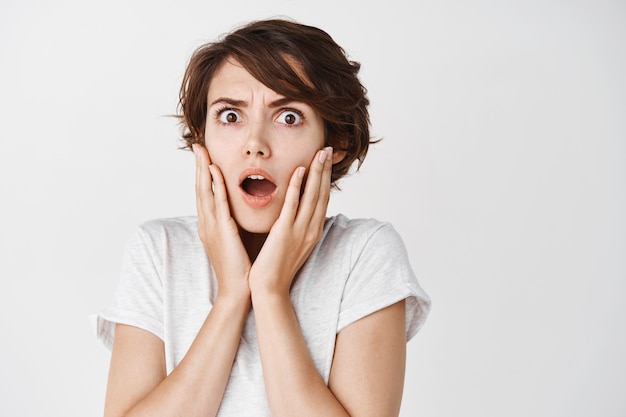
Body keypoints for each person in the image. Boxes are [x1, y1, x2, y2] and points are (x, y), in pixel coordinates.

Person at [93, 17, 431, 417]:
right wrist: (233, 296)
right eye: (230, 116)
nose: (255, 145)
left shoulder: (365, 254)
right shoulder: (159, 250)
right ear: (202, 137)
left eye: (288, 117)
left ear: (334, 141)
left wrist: (270, 292)